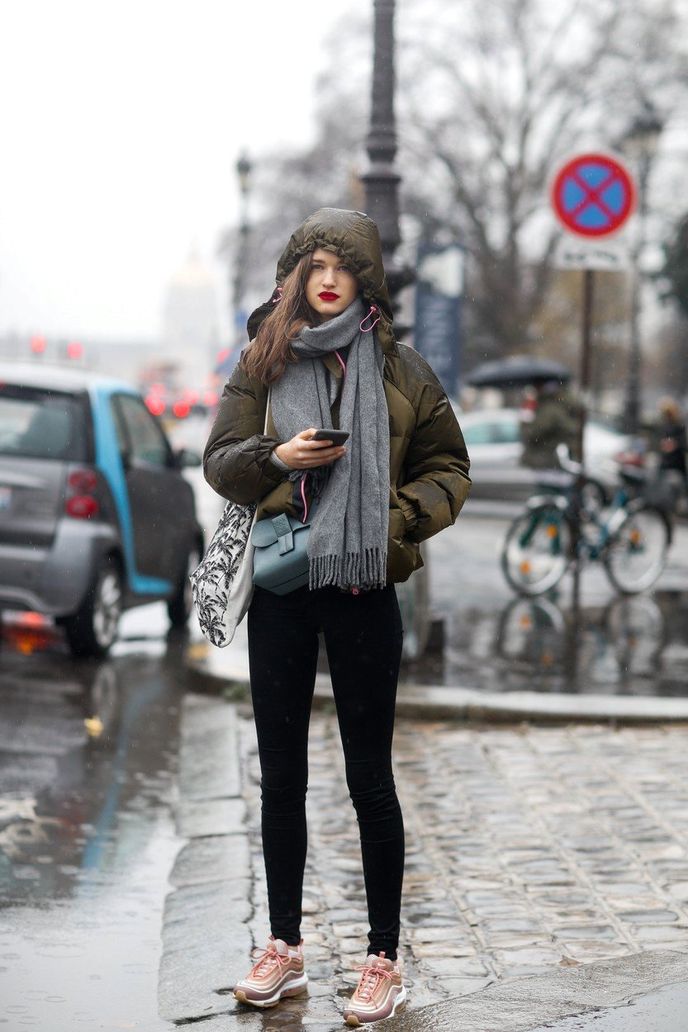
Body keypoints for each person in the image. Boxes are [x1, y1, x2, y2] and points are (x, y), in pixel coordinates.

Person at [203, 208, 471, 1025]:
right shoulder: (263, 359)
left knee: (369, 781)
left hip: (362, 590)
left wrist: (395, 522)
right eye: (313, 262)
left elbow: (449, 468)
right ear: (294, 275)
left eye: (342, 264)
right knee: (280, 777)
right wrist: (277, 458)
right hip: (285, 590)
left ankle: (382, 960)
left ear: (364, 278)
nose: (327, 276)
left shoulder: (404, 371)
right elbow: (220, 459)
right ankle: (283, 949)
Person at [520, 379, 580, 470]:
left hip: (544, 461)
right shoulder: (550, 407)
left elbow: (532, 433)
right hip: (545, 460)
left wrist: (525, 417)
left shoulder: (550, 409)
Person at [655, 396, 687, 511]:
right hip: (666, 464)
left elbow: (683, 444)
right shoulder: (663, 426)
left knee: (674, 488)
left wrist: (674, 444)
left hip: (675, 465)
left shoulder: (678, 426)